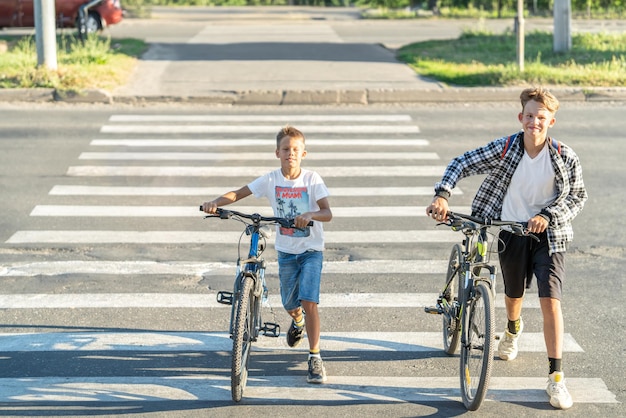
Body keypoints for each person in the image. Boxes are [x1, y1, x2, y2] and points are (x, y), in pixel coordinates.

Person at [426, 87, 587, 410]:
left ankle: (556, 379)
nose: (534, 122)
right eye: (529, 116)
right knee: (513, 295)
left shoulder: (564, 155)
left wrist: (547, 216)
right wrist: (443, 194)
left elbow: (577, 197)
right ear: (521, 118)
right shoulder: (506, 149)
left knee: (550, 301)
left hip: (549, 235)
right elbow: (461, 163)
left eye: (541, 117)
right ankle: (513, 329)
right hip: (510, 231)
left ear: (551, 121)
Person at [202, 125, 333, 384]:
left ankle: (315, 357)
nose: (290, 154)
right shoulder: (271, 179)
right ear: (277, 153)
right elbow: (239, 193)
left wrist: (310, 214)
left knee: (309, 302)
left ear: (304, 153)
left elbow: (327, 213)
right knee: (290, 305)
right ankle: (297, 323)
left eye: (296, 150)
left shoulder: (312, 179)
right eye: (286, 149)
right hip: (286, 252)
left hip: (311, 251)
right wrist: (215, 203)